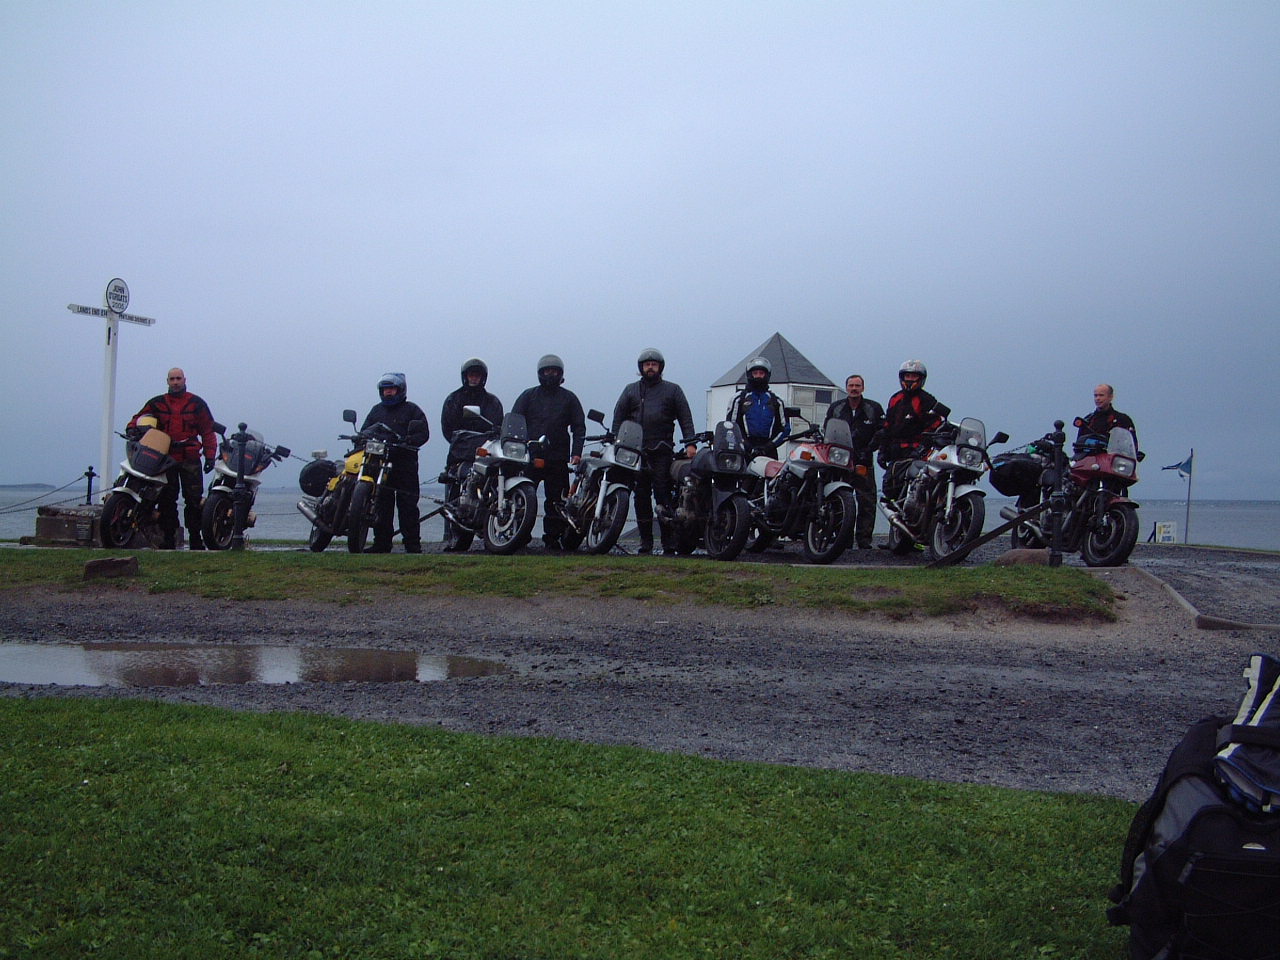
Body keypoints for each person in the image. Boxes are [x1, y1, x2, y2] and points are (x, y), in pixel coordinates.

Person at [611, 348, 696, 554]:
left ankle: (668, 543)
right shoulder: (631, 390)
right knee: (640, 497)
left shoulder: (673, 390)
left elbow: (685, 417)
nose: (650, 368)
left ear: (660, 367)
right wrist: (615, 441)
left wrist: (690, 444)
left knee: (663, 494)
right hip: (635, 452)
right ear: (641, 368)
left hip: (662, 450)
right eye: (647, 365)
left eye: (654, 364)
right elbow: (618, 417)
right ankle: (646, 543)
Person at [127, 367, 217, 550]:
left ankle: (195, 539)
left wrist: (210, 456)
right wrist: (131, 429)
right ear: (167, 381)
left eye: (178, 378)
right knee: (166, 501)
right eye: (172, 379)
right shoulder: (156, 403)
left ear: (185, 380)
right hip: (164, 458)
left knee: (194, 500)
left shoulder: (197, 403)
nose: (175, 382)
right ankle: (168, 538)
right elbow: (139, 418)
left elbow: (208, 430)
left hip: (190, 458)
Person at [512, 354, 585, 551]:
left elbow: (579, 427)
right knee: (522, 497)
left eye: (554, 371)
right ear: (540, 373)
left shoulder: (569, 398)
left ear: (560, 374)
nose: (550, 374)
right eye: (546, 371)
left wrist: (576, 452)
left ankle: (553, 538)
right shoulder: (528, 396)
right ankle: (519, 536)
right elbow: (514, 421)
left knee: (557, 501)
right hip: (530, 456)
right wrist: (514, 448)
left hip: (558, 457)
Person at [360, 373, 429, 553]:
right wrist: (360, 439)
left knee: (408, 506)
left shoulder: (412, 410)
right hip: (380, 465)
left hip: (405, 465)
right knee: (381, 505)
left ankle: (412, 545)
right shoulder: (376, 411)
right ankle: (381, 544)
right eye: (385, 389)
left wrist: (409, 441)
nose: (388, 392)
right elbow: (365, 431)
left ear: (400, 390)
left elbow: (423, 433)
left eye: (391, 389)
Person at [439, 358, 503, 551]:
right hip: (461, 453)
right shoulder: (454, 399)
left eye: (477, 375)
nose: (474, 378)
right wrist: (462, 441)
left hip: (486, 452)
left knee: (494, 485)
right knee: (454, 488)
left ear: (483, 377)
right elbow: (448, 428)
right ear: (465, 377)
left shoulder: (492, 401)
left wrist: (493, 434)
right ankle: (452, 536)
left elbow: (498, 425)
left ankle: (492, 532)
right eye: (471, 375)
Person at [825, 373, 884, 549]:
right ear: (846, 387)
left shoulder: (874, 408)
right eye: (851, 385)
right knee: (839, 499)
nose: (854, 389)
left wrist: (869, 450)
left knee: (867, 500)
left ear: (863, 388)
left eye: (857, 385)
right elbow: (827, 430)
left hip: (863, 460)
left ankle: (864, 540)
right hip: (840, 460)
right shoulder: (836, 408)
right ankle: (842, 538)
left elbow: (882, 432)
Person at [877, 360, 947, 502]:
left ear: (921, 379)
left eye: (913, 376)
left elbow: (935, 426)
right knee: (890, 489)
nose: (909, 380)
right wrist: (882, 450)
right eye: (907, 376)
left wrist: (922, 448)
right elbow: (887, 426)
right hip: (896, 452)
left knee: (920, 489)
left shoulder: (927, 400)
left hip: (918, 452)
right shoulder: (895, 398)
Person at [725, 357, 790, 459]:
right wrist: (747, 446)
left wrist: (769, 446)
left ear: (767, 375)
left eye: (761, 373)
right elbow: (731, 426)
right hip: (744, 451)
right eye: (755, 373)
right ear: (749, 375)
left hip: (769, 452)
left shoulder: (777, 401)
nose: (758, 376)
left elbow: (785, 428)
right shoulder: (738, 399)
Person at [1075, 383, 1138, 454]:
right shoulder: (1088, 420)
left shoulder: (1122, 419)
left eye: (1101, 395)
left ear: (1111, 397)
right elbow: (1078, 446)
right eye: (1095, 395)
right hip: (1089, 459)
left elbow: (1132, 445)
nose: (1098, 398)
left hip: (1114, 459)